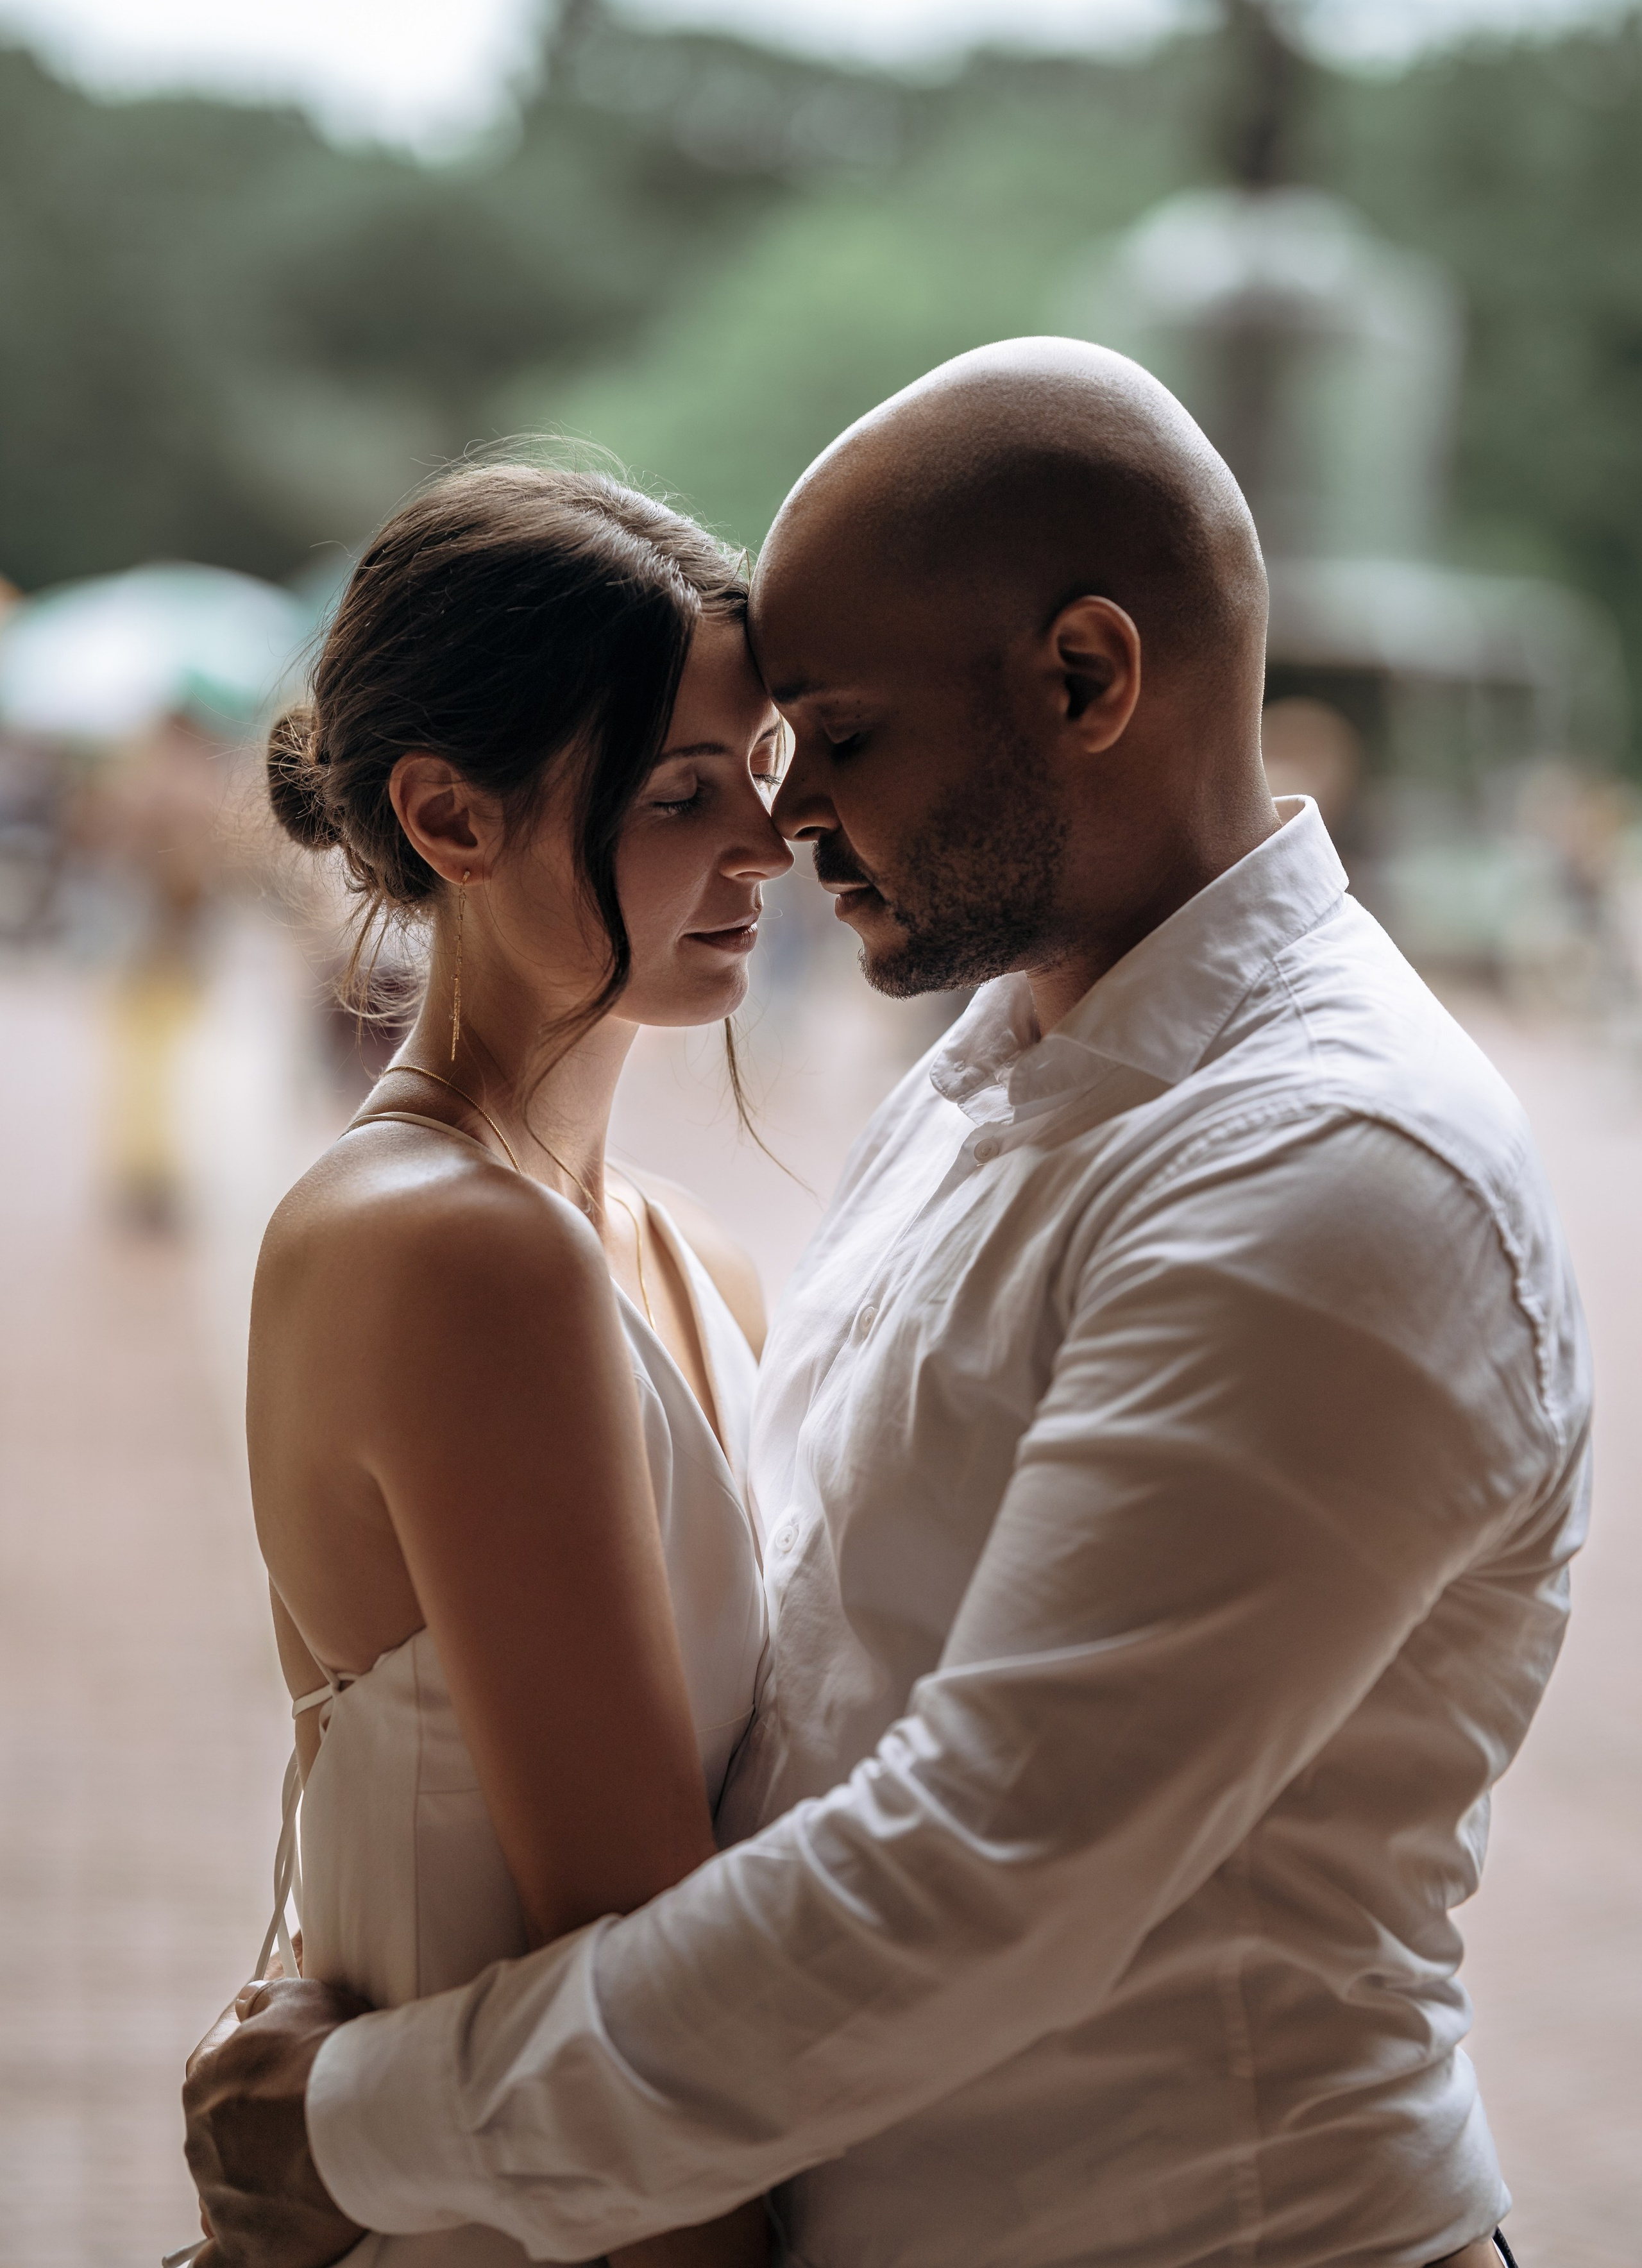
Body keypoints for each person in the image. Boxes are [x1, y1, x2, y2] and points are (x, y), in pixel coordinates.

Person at [184, 341, 1588, 2268]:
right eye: (725, 776)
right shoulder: (994, 1074)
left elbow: (981, 1872)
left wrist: (360, 2128)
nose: (793, 827)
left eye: (833, 741)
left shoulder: (1331, 1165)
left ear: (1084, 681)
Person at [186, 462, 791, 2268]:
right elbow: (643, 1993)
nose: (767, 847)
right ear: (450, 816)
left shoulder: (691, 1257)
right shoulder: (451, 1250)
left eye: (764, 773)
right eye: (684, 792)